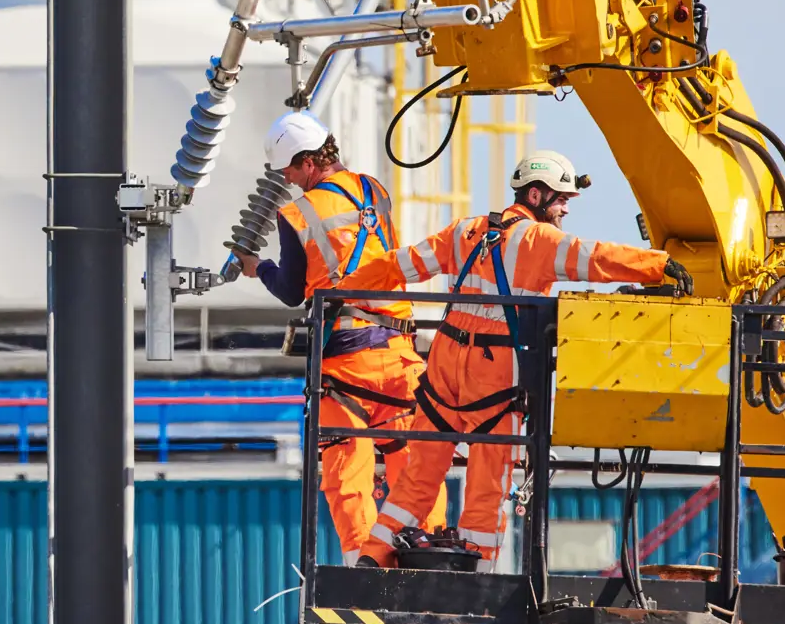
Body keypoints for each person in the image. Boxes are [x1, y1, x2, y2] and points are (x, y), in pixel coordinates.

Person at [351, 149, 693, 571]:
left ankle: (373, 557)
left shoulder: (465, 231)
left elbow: (400, 264)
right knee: (487, 483)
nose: (566, 209)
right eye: (561, 199)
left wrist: (340, 291)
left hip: (443, 366)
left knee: (418, 475)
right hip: (492, 376)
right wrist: (659, 265)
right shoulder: (539, 240)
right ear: (535, 195)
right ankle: (477, 576)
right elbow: (596, 258)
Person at [235, 111, 445, 565]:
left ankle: (363, 567)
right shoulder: (375, 190)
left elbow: (292, 291)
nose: (287, 179)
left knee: (347, 470)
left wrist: (258, 268)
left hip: (348, 365)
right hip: (401, 353)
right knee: (416, 462)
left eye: (289, 170)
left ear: (309, 162)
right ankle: (430, 554)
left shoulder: (297, 214)